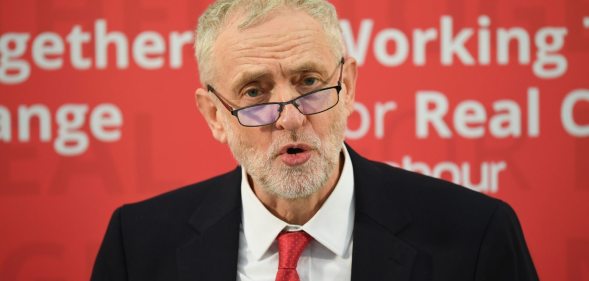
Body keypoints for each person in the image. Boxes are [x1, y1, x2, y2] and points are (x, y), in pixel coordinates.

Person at [91, 0, 539, 280]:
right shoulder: (140, 246)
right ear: (214, 115)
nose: (289, 118)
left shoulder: (477, 235)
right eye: (254, 92)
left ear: (350, 85)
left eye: (309, 82)